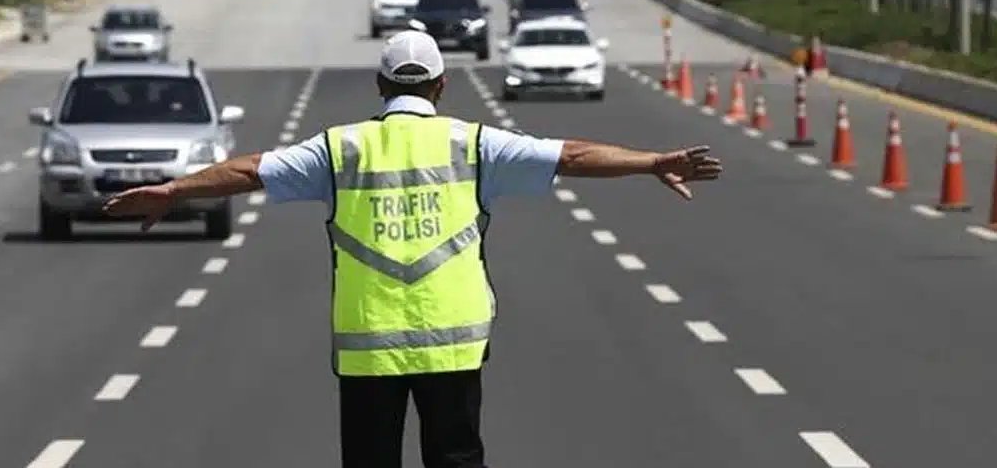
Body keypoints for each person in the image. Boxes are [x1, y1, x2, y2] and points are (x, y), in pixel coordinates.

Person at [102, 30, 723, 468]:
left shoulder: (339, 149)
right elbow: (572, 155)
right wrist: (652, 162)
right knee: (457, 459)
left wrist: (173, 190)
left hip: (369, 347)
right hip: (453, 341)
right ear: (442, 85)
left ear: (378, 84)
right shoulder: (475, 143)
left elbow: (247, 171)